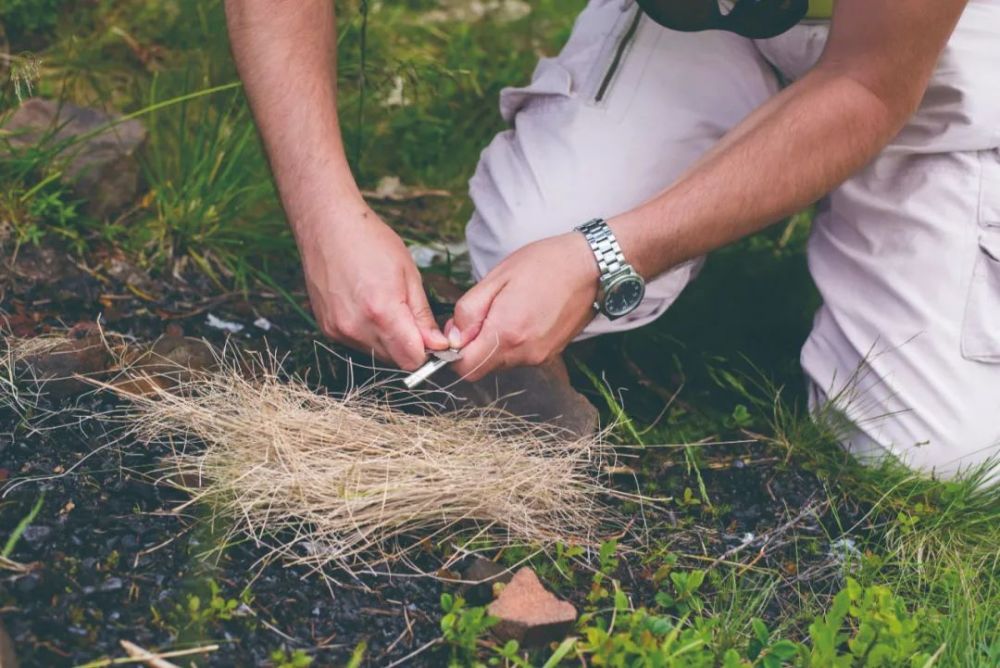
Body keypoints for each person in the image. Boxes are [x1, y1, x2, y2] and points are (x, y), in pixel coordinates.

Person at [224, 0, 1000, 480]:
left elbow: (866, 82)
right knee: (528, 239)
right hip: (694, 19)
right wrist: (325, 215)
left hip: (915, 40)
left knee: (934, 457)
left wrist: (601, 258)